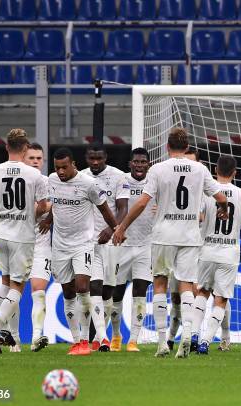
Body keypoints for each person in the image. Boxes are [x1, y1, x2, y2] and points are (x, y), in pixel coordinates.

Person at [113, 127, 228, 359]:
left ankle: (163, 341)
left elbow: (142, 202)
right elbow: (221, 197)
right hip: (189, 236)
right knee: (186, 285)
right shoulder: (199, 168)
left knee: (160, 285)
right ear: (186, 148)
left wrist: (122, 226)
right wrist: (223, 208)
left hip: (163, 234)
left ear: (167, 147)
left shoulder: (157, 169)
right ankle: (187, 334)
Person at [39, 147, 119, 355]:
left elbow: (105, 209)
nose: (61, 172)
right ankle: (77, 341)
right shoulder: (52, 180)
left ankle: (90, 338)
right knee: (68, 292)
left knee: (83, 286)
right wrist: (48, 220)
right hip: (59, 245)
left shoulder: (88, 184)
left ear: (73, 164)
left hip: (83, 243)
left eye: (64, 167)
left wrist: (115, 229)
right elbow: (56, 205)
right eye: (57, 168)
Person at [0, 129, 49, 354]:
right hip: (22, 236)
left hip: (0, 233)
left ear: (7, 147)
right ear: (25, 149)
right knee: (18, 285)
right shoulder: (34, 175)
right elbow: (44, 206)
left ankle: (9, 335)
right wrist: (30, 212)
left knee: (5, 282)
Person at [192, 155, 241, 354]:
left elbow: (198, 217)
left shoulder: (206, 192)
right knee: (221, 299)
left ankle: (193, 333)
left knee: (202, 292)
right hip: (229, 254)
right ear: (235, 173)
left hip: (206, 250)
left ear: (215, 170)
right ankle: (206, 341)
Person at [81, 143, 129, 351]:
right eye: (91, 158)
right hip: (87, 242)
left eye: (99, 158)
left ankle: (103, 334)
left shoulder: (119, 177)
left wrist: (111, 230)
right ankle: (99, 338)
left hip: (110, 241)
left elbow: (123, 208)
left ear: (106, 157)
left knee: (109, 290)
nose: (95, 162)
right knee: (94, 286)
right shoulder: (80, 177)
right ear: (86, 158)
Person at [110, 148, 155, 352]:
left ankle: (134, 340)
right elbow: (118, 207)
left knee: (140, 292)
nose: (139, 165)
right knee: (116, 293)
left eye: (143, 162)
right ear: (130, 164)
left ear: (148, 163)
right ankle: (116, 335)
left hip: (146, 245)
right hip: (122, 245)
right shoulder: (122, 180)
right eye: (135, 162)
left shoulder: (155, 181)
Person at [167, 145, 201, 350]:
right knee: (176, 297)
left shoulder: (205, 187)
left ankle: (196, 336)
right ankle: (172, 338)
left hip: (198, 247)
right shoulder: (170, 187)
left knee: (200, 292)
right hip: (173, 245)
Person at [24, 143, 51, 352]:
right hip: (18, 244)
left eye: (38, 158)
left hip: (41, 245)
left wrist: (49, 210)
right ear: (24, 159)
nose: (35, 161)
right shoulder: (16, 181)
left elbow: (58, 204)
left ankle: (36, 337)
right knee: (10, 291)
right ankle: (12, 338)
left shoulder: (49, 182)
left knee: (38, 290)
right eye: (31, 158)